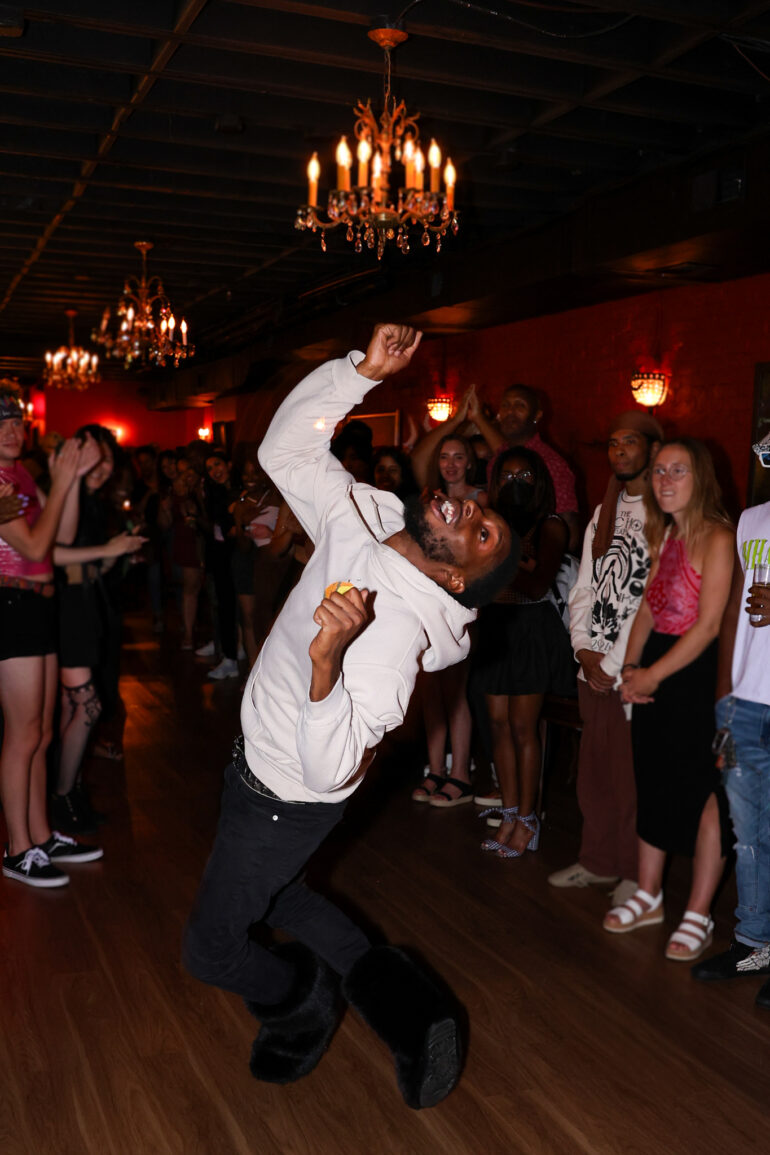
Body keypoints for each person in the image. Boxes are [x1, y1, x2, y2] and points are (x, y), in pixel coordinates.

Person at [183, 323, 518, 1110]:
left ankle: (299, 996)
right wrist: (359, 373)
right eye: (480, 510)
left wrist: (326, 663)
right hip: (261, 769)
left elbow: (332, 766)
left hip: (284, 793)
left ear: (458, 577)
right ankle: (416, 1012)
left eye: (481, 533)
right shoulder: (368, 518)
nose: (469, 507)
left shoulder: (392, 636)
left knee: (211, 949)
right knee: (281, 894)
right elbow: (286, 453)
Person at [604, 439, 734, 961]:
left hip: (697, 675)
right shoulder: (666, 533)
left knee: (706, 795)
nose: (665, 480)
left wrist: (652, 676)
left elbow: (708, 627)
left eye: (678, 471)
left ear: (700, 478)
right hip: (657, 666)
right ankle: (649, 894)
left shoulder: (720, 536)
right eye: (659, 471)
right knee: (653, 779)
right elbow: (647, 610)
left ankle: (699, 913)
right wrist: (629, 670)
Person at [548, 412, 662, 905]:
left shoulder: (667, 511)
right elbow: (584, 586)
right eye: (613, 443)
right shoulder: (604, 510)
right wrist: (582, 649)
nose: (618, 451)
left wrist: (611, 663)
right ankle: (597, 862)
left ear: (653, 449)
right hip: (592, 662)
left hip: (633, 667)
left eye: (629, 441)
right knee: (594, 775)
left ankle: (637, 875)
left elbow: (654, 599)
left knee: (631, 777)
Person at [0, 392, 103, 888]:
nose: (12, 431)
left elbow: (59, 534)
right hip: (9, 605)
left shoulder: (20, 474)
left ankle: (40, 836)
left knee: (41, 733)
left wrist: (73, 479)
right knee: (22, 734)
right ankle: (17, 848)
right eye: (2, 424)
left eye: (17, 422)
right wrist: (60, 481)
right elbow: (35, 545)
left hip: (37, 603)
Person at [691, 432, 770, 1004]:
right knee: (750, 833)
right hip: (746, 704)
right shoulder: (751, 521)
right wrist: (724, 696)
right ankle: (755, 941)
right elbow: (731, 616)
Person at [471, 446, 574, 856]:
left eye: (525, 476)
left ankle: (529, 819)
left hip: (531, 628)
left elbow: (536, 585)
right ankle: (510, 812)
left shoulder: (550, 525)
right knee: (497, 725)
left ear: (539, 482)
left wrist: (497, 556)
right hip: (495, 627)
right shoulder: (488, 523)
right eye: (508, 476)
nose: (516, 483)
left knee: (522, 727)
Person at [50, 426, 145, 834]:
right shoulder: (61, 492)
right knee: (86, 706)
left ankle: (67, 792)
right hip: (64, 610)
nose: (103, 467)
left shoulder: (91, 501)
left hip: (84, 606)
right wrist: (107, 550)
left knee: (74, 707)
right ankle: (62, 795)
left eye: (107, 459)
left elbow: (83, 564)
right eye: (95, 458)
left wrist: (116, 556)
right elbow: (52, 552)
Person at [410, 394, 487, 806]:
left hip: (460, 598)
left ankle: (461, 774)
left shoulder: (480, 500)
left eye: (458, 457)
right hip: (429, 596)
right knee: (430, 688)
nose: (451, 464)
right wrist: (454, 419)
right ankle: (435, 768)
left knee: (455, 688)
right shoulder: (430, 497)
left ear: (469, 462)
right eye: (445, 457)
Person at [469, 383, 580, 551]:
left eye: (520, 406)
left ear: (537, 415)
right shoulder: (498, 457)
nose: (510, 412)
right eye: (505, 405)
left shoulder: (551, 463)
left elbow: (569, 532)